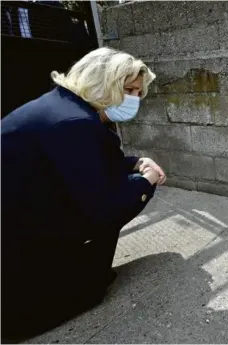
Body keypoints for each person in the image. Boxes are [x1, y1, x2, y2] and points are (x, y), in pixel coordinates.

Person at [1, 47, 166, 341]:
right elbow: (103, 206)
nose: (134, 100)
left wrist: (137, 163)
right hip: (17, 259)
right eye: (128, 90)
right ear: (103, 83)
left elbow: (91, 165)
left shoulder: (64, 106)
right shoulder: (75, 123)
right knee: (115, 206)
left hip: (19, 219)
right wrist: (146, 184)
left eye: (138, 93)